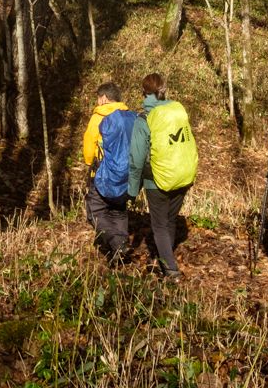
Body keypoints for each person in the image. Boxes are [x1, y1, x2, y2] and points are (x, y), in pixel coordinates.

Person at [128, 73, 198, 279]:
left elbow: (136, 159)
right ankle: (165, 256)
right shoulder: (177, 110)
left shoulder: (145, 119)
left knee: (158, 224)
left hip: (156, 179)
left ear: (144, 93)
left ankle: (170, 269)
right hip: (182, 174)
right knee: (169, 220)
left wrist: (132, 190)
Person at [82, 82, 133, 262]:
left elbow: (89, 147)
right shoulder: (129, 116)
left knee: (94, 210)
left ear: (103, 98)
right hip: (126, 174)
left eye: (97, 98)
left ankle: (117, 243)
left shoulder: (99, 116)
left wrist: (90, 164)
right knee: (118, 209)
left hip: (103, 173)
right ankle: (120, 249)